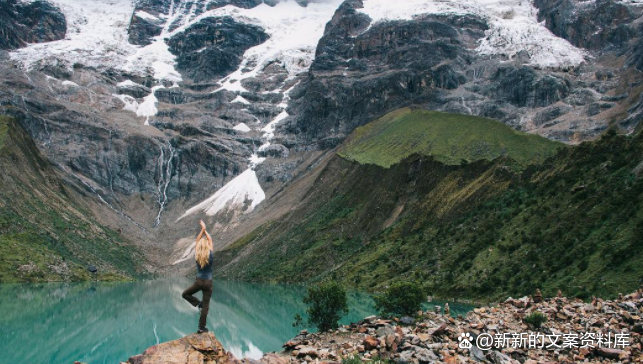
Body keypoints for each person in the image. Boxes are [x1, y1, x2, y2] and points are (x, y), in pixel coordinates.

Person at [182, 220, 214, 334]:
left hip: (199, 281)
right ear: (207, 246)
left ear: (199, 246)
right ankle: (201, 328)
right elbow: (210, 240)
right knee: (206, 307)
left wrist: (202, 229)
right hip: (208, 283)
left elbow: (196, 241)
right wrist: (206, 231)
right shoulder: (210, 253)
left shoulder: (197, 254)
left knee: (185, 294)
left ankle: (197, 303)